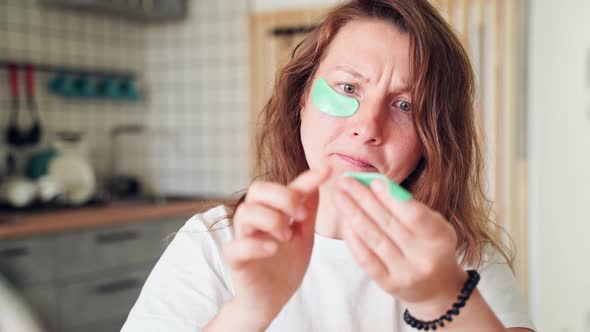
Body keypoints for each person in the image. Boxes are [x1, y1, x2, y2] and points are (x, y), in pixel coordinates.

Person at [121, 0, 536, 331]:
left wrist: (441, 297)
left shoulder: (456, 257)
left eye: (405, 105)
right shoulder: (211, 245)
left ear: (432, 141)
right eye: (348, 87)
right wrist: (249, 311)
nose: (367, 126)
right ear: (301, 97)